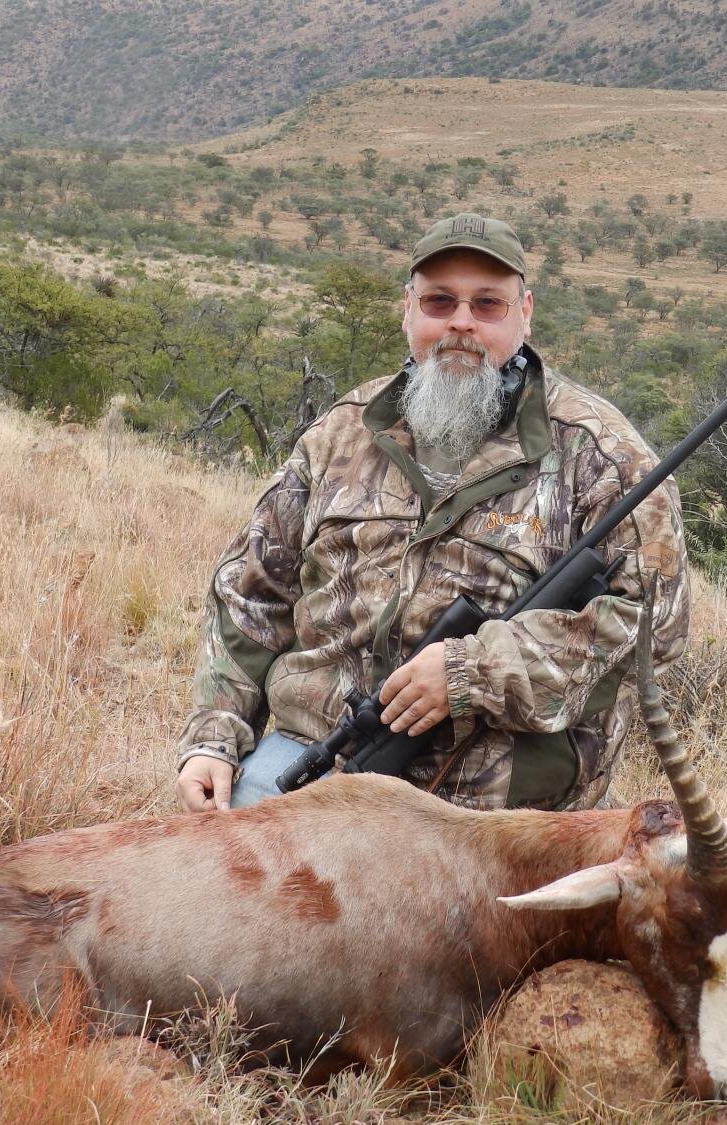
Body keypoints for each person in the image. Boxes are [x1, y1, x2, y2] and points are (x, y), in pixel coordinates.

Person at [174, 212, 689, 813]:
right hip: (308, 759)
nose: (461, 323)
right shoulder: (339, 431)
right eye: (439, 301)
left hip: (497, 805)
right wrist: (215, 738)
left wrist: (474, 672)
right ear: (409, 310)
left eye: (487, 304)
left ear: (525, 311)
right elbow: (250, 596)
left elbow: (655, 626)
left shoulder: (608, 458)